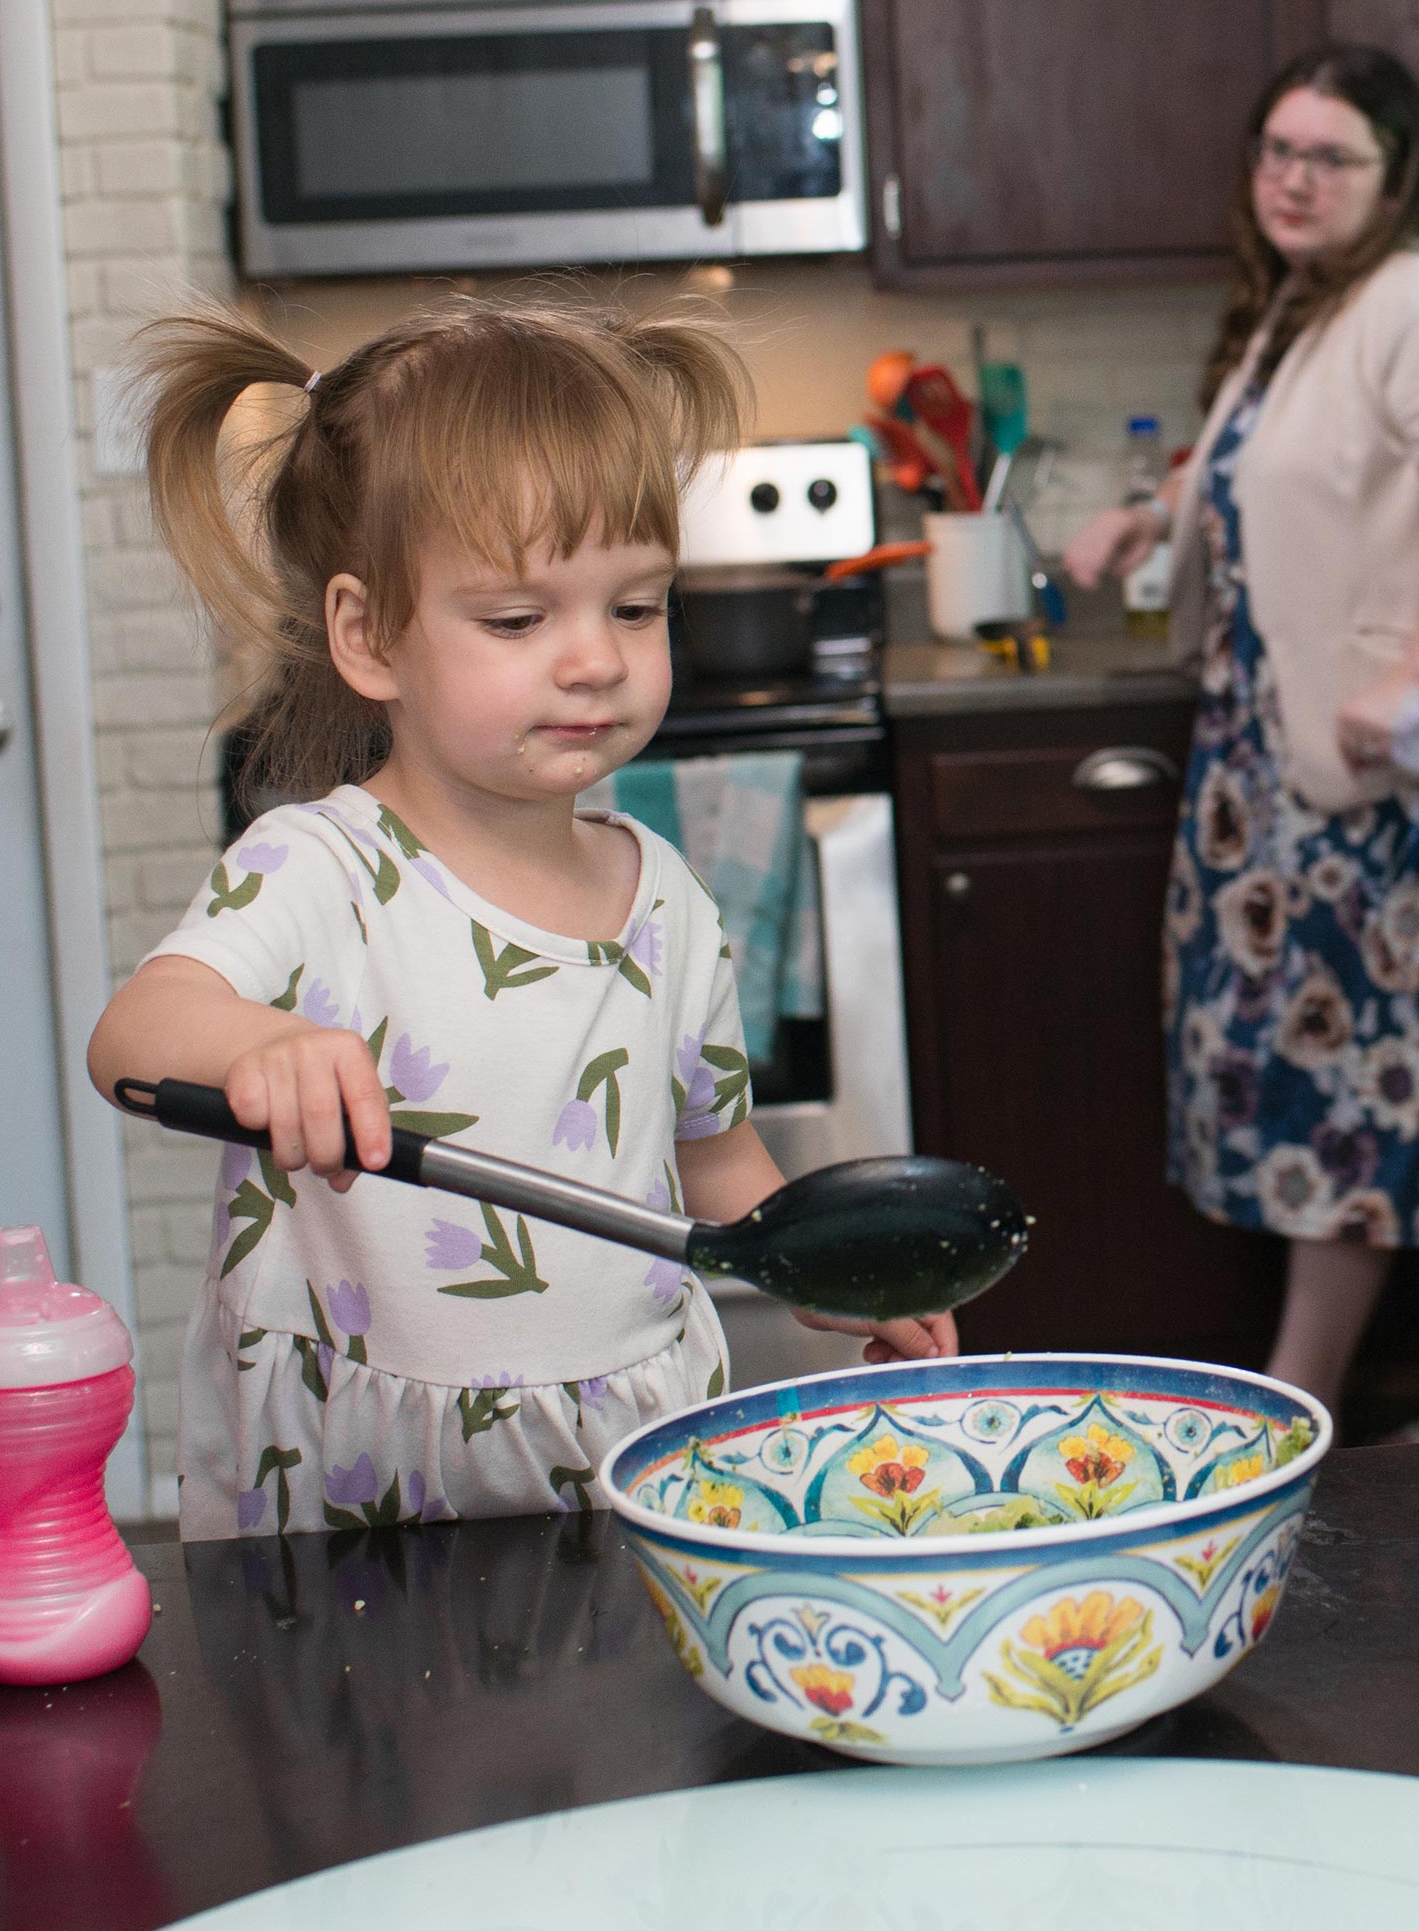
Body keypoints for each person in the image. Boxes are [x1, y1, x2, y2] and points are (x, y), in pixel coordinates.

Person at [90, 294, 951, 1542]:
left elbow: (715, 1162)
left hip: (626, 1464)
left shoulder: (669, 897)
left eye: (637, 607)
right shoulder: (323, 869)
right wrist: (252, 1048)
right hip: (355, 1489)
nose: (594, 658)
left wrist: (809, 1258)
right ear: (369, 634)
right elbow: (133, 1034)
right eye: (517, 619)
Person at [1064, 46, 1419, 1440]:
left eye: (1329, 156)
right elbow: (1282, 472)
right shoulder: (1314, 303)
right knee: (1407, 1084)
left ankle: (1293, 1413)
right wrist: (1147, 519)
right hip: (1297, 769)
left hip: (1405, 777)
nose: (1292, 179)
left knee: (1348, 1092)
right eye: (1275, 151)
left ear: (1396, 176)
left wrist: (1414, 684)